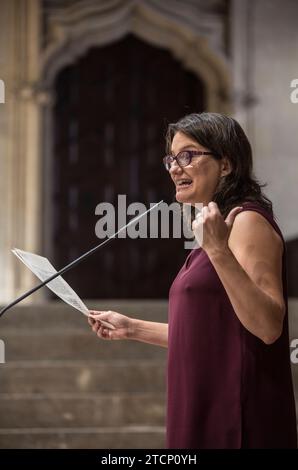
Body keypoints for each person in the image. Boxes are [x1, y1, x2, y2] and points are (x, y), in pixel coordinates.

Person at [88, 112, 297, 449]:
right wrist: (131, 328)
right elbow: (209, 333)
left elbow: (268, 325)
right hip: (201, 399)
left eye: (188, 155)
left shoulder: (247, 222)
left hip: (236, 411)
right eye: (171, 157)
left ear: (225, 165)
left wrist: (218, 250)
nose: (174, 167)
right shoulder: (215, 234)